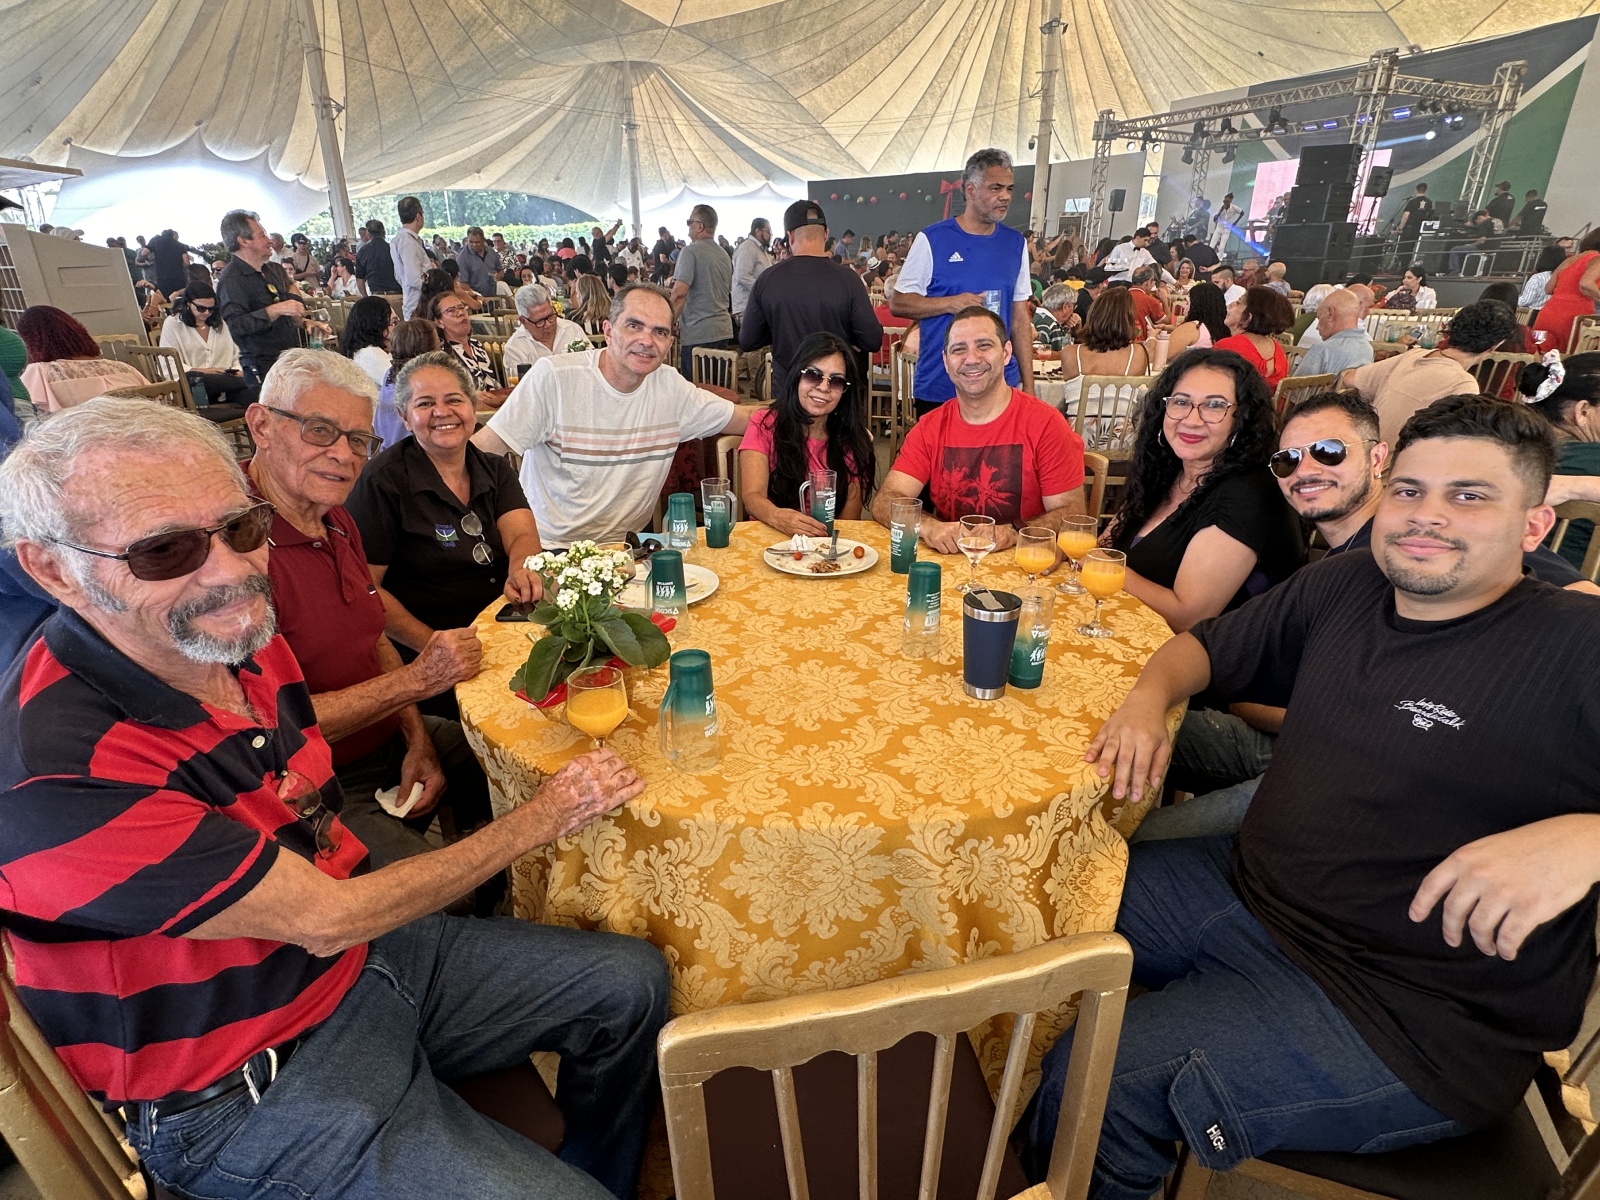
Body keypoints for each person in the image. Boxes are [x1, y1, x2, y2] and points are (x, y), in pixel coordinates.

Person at [0, 396, 669, 1200]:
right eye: (165, 549)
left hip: (355, 969)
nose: (231, 570)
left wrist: (414, 733)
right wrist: (546, 814)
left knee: (631, 982)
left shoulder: (235, 639)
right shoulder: (52, 769)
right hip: (244, 1085)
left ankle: (596, 1171)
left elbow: (314, 831)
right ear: (51, 568)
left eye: (241, 528)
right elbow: (326, 916)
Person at [1026, 394, 1600, 1200]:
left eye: (1469, 496)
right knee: (1036, 889)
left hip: (1405, 1013)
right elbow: (1201, 649)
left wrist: (1587, 839)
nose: (1427, 516)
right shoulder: (1350, 581)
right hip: (1247, 890)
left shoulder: (1575, 642)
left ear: (1533, 527)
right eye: (1410, 490)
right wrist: (1146, 702)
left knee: (1100, 1081)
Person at [1133, 390, 1589, 844]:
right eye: (1288, 459)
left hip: (1359, 781)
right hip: (1297, 741)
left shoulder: (1443, 553)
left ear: (1377, 459)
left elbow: (1579, 611)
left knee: (1130, 847)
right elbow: (1210, 645)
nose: (1306, 470)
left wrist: (1583, 845)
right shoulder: (1347, 570)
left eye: (1329, 452)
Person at [242, 350, 496, 876]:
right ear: (261, 425)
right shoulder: (236, 551)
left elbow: (373, 635)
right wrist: (420, 679)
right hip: (313, 785)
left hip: (387, 738)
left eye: (358, 439)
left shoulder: (336, 518)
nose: (343, 455)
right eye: (319, 430)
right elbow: (272, 727)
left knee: (509, 768)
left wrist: (418, 739)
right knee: (448, 888)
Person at [473, 284, 755, 546]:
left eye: (660, 332)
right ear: (608, 331)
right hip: (550, 548)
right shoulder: (555, 378)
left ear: (670, 342)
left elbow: (750, 420)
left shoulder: (671, 388)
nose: (647, 340)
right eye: (634, 326)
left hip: (629, 549)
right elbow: (477, 455)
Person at [347, 351, 542, 713]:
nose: (442, 412)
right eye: (425, 403)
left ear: (472, 406)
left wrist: (520, 569)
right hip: (429, 653)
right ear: (404, 417)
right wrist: (435, 646)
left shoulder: (494, 468)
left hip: (503, 629)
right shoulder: (383, 482)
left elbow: (522, 536)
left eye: (454, 399)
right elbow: (367, 589)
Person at [1106, 348, 1304, 631]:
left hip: (1212, 653)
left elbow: (1188, 617)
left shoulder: (1249, 494)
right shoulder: (1166, 470)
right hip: (1129, 628)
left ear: (1242, 418)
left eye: (1214, 405)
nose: (1191, 420)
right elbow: (1107, 544)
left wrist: (1106, 569)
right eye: (1181, 401)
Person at [870, 307, 1085, 551]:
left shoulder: (1046, 424)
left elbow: (1073, 515)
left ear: (1006, 353)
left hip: (1023, 564)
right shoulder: (929, 427)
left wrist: (1014, 531)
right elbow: (886, 501)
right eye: (958, 349)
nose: (971, 359)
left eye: (984, 346)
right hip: (953, 564)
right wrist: (928, 527)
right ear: (946, 362)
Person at [890, 148, 1034, 411]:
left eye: (1009, 189)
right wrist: (950, 303)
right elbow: (898, 303)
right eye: (996, 188)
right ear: (970, 190)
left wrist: (1030, 385)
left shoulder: (1016, 243)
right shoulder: (932, 239)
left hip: (1001, 385)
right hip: (941, 386)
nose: (1005, 196)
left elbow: (1020, 318)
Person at [738, 332, 875, 537]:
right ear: (796, 376)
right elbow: (752, 497)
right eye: (813, 375)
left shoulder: (852, 439)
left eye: (836, 381)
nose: (823, 387)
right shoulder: (764, 424)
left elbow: (848, 522)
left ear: (845, 391)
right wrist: (779, 517)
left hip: (826, 542)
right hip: (770, 537)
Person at [739, 199, 884, 384]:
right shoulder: (849, 279)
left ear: (790, 236)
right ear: (826, 234)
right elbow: (872, 340)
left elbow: (748, 340)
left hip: (788, 389)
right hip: (835, 390)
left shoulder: (767, 279)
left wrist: (780, 330)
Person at [1342, 299, 1521, 443]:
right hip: (1398, 468)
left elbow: (1349, 378)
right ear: (1494, 346)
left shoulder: (1413, 356)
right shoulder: (1463, 385)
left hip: (1365, 452)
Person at [217, 209, 311, 384]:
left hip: (289, 360)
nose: (270, 241)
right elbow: (237, 325)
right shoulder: (232, 279)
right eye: (262, 235)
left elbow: (287, 307)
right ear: (244, 241)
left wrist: (305, 322)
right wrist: (275, 310)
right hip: (263, 367)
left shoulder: (271, 270)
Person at [1525, 354, 1600, 570]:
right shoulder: (1591, 459)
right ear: (1582, 411)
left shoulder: (1510, 449)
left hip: (1508, 576)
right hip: (1580, 584)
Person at [15, 306, 146, 414]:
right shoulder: (125, 368)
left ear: (32, 342)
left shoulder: (40, 373)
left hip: (84, 436)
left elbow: (25, 413)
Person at [159, 280, 255, 413]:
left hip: (227, 383)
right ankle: (252, 381)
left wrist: (237, 370)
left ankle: (257, 420)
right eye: (201, 308)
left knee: (252, 397)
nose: (206, 313)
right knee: (196, 378)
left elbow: (237, 353)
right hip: (194, 383)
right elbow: (167, 362)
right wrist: (203, 371)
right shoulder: (173, 323)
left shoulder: (222, 323)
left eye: (211, 309)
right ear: (188, 304)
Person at [1056, 289, 1152, 414]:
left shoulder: (1070, 353)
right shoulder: (1138, 353)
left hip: (1076, 426)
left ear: (1093, 315)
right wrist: (1153, 338)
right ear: (1128, 320)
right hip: (1120, 426)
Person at [671, 203, 736, 376]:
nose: (688, 228)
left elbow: (679, 293)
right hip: (722, 330)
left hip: (698, 333)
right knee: (716, 388)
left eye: (689, 222)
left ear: (700, 226)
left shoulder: (689, 252)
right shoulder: (724, 254)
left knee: (694, 390)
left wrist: (667, 323)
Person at [502, 283, 591, 380]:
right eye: (540, 321)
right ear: (523, 321)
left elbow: (592, 366)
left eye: (550, 316)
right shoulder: (515, 347)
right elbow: (521, 386)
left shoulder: (572, 329)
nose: (548, 324)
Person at [375, 319, 440, 450]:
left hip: (385, 450)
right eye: (439, 346)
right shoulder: (422, 380)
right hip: (411, 452)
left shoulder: (390, 373)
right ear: (429, 351)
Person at [1532, 229, 1600, 354]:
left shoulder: (1569, 260)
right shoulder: (1597, 259)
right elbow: (1585, 283)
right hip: (1572, 317)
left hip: (1548, 313)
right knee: (1567, 359)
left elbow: (1548, 288)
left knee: (1539, 354)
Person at [1215, 286, 1294, 392]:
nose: (1230, 304)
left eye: (1238, 303)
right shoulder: (1277, 348)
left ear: (1248, 317)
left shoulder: (1226, 346)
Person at [426, 290, 498, 396]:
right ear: (439, 322)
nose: (460, 313)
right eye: (451, 311)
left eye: (461, 307)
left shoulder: (476, 345)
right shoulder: (442, 355)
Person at [1293, 288, 1372, 378]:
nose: (1317, 327)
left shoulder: (1322, 350)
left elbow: (1295, 386)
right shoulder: (1368, 348)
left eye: (1319, 318)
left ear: (1331, 314)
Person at [340, 295, 396, 389]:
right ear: (377, 326)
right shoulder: (370, 354)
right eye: (394, 323)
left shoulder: (379, 349)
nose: (399, 327)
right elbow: (401, 385)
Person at [1165, 281, 1228, 357]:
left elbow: (1160, 356)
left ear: (1197, 306)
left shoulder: (1192, 327)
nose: (1183, 306)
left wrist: (1153, 336)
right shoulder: (1219, 329)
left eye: (1187, 303)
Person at [393, 196, 431, 320]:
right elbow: (414, 279)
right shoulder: (408, 242)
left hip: (412, 300)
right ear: (418, 216)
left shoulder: (399, 239)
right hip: (419, 305)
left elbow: (398, 276)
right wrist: (434, 284)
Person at [731, 217, 772, 320]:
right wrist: (763, 290)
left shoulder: (761, 250)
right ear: (758, 231)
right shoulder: (747, 248)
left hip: (757, 306)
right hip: (747, 307)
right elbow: (742, 276)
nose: (770, 235)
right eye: (768, 232)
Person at [453, 226, 499, 299]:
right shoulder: (462, 257)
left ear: (483, 240)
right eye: (471, 242)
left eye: (477, 242)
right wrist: (476, 295)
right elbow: (462, 283)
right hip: (474, 299)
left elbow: (500, 270)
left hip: (492, 296)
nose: (474, 245)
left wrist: (498, 276)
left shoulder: (491, 252)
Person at [146, 227, 193, 297]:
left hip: (162, 278)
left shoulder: (156, 244)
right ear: (173, 236)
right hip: (178, 277)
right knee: (179, 298)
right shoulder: (180, 245)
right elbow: (187, 263)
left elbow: (146, 254)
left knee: (165, 298)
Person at [1393, 183, 1434, 261]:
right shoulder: (1429, 202)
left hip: (1409, 229)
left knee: (1404, 248)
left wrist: (1400, 228)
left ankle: (1401, 265)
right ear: (1425, 190)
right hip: (1419, 229)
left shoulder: (1412, 202)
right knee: (1413, 249)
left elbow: (1406, 216)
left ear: (1416, 190)